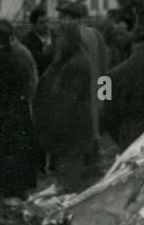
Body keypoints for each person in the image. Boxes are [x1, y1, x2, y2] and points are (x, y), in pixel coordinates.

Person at [36, 20, 99, 193]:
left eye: (62, 38)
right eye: (57, 38)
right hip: (67, 134)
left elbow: (66, 103)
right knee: (64, 180)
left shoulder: (76, 64)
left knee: (68, 183)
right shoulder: (66, 59)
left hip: (70, 133)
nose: (58, 42)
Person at [0, 19, 39, 198]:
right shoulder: (15, 55)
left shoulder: (1, 62)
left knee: (8, 169)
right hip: (19, 118)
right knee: (16, 168)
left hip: (6, 122)